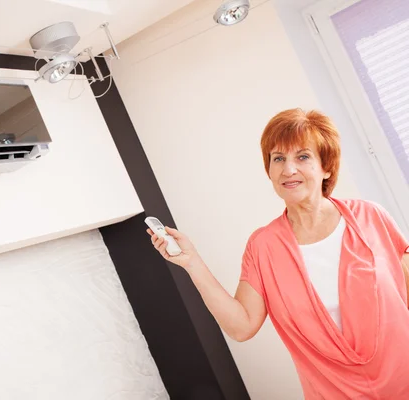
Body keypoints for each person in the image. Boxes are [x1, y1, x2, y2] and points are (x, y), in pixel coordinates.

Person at [148, 108, 409, 399]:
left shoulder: (371, 216)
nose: (288, 169)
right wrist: (192, 263)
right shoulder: (264, 246)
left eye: (303, 156)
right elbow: (242, 325)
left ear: (327, 167)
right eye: (278, 159)